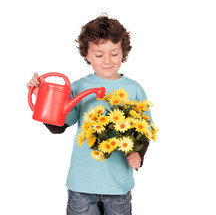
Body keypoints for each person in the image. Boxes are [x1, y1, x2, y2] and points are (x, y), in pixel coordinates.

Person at [26, 14, 151, 215]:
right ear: (87, 54)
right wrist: (42, 96)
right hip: (81, 187)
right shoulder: (78, 87)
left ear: (123, 52)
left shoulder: (134, 89)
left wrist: (139, 156)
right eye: (99, 55)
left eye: (114, 53)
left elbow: (144, 132)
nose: (107, 61)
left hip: (118, 187)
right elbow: (57, 127)